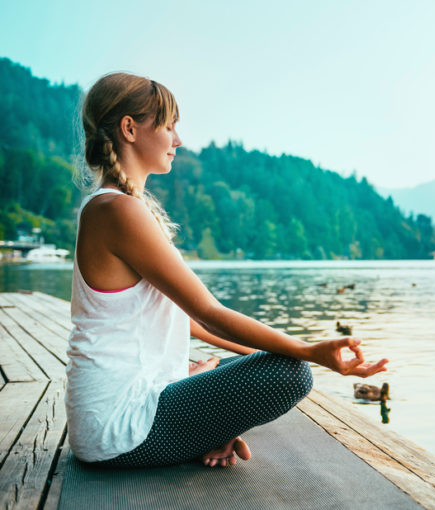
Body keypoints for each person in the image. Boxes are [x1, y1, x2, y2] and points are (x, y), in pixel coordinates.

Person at [67, 72, 388, 469]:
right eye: (169, 126)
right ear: (130, 129)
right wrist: (311, 351)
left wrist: (248, 362)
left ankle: (207, 422)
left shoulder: (116, 206)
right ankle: (206, 427)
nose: (178, 140)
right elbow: (209, 313)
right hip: (119, 430)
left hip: (120, 414)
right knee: (292, 374)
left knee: (251, 363)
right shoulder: (118, 210)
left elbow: (186, 322)